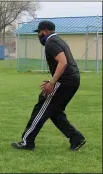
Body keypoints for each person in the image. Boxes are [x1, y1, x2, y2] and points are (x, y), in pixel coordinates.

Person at [11, 20, 85, 151]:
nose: (38, 35)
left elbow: (63, 62)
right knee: (54, 112)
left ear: (45, 31)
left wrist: (52, 82)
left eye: (38, 32)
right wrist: (54, 80)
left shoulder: (51, 42)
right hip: (72, 81)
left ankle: (27, 142)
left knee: (41, 108)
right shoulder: (59, 40)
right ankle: (76, 138)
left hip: (65, 81)